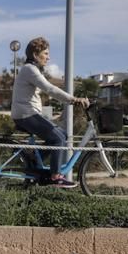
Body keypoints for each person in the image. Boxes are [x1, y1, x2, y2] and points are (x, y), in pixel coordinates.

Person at [11, 37, 89, 187]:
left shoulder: (32, 70)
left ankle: (35, 158)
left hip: (28, 113)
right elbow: (50, 89)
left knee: (63, 135)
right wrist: (73, 99)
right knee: (58, 140)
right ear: (35, 55)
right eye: (45, 53)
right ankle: (55, 177)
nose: (49, 57)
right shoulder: (30, 70)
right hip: (25, 115)